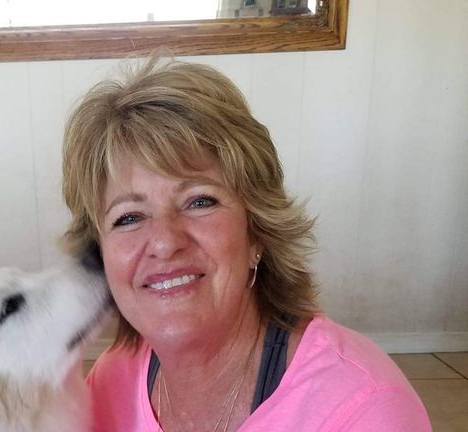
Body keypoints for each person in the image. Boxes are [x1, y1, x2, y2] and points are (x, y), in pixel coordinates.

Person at [60, 55, 432, 431]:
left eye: (199, 201)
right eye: (128, 217)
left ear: (257, 231)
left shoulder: (364, 407)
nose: (164, 242)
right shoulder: (110, 381)